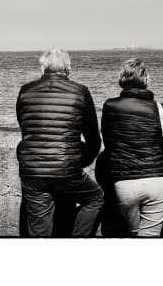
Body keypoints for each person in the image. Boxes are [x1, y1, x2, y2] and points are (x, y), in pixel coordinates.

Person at [16, 48, 103, 237]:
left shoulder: (26, 91)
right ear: (68, 69)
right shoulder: (80, 92)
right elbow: (94, 139)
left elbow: (25, 128)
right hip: (67, 171)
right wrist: (80, 161)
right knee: (96, 198)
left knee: (39, 231)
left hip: (33, 173)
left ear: (43, 68)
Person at [98, 57, 163, 237]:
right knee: (149, 235)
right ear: (145, 79)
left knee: (134, 233)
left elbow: (109, 142)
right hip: (158, 181)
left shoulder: (110, 106)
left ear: (123, 78)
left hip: (125, 183)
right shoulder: (160, 108)